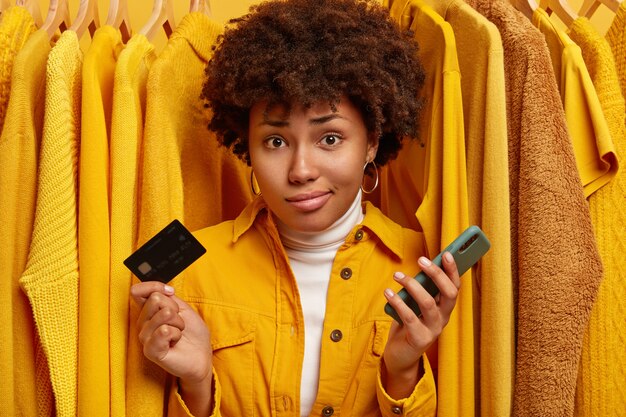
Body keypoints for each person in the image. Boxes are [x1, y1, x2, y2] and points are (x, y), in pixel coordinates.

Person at [130, 0, 460, 415]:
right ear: (246, 146)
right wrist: (197, 385)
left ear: (372, 142)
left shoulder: (427, 274)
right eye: (276, 141)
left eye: (330, 139)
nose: (301, 170)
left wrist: (402, 370)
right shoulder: (189, 274)